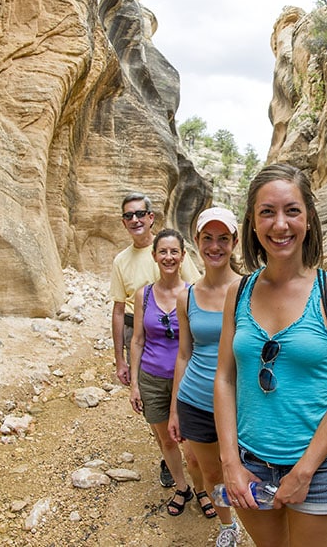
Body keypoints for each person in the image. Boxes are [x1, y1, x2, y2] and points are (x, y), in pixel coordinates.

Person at [214, 164, 327, 547]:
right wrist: (230, 463)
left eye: (292, 211)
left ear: (309, 219)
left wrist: (303, 471)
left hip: (319, 469)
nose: (280, 225)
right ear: (252, 223)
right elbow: (225, 379)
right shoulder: (238, 293)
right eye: (267, 212)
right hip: (250, 463)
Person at [110, 191, 200, 487]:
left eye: (140, 214)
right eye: (128, 216)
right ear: (124, 222)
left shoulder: (168, 248)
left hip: (177, 328)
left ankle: (195, 473)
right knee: (154, 408)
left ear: (151, 218)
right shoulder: (122, 261)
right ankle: (168, 457)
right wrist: (120, 361)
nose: (134, 220)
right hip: (139, 326)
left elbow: (197, 290)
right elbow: (119, 309)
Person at [169, 207, 243, 546]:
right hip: (196, 400)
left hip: (241, 402)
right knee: (211, 472)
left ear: (234, 243)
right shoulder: (187, 296)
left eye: (223, 239)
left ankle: (257, 521)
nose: (215, 246)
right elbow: (184, 354)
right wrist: (173, 410)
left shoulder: (248, 290)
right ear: (196, 241)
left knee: (244, 470)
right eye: (208, 238)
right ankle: (227, 526)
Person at [130, 228, 207, 517]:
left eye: (174, 251)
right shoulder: (144, 295)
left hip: (186, 382)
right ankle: (181, 487)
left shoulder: (193, 294)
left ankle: (201, 489)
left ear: (183, 256)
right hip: (151, 378)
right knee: (165, 441)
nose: (169, 257)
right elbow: (138, 339)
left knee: (191, 449)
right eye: (163, 251)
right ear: (154, 256)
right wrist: (134, 385)